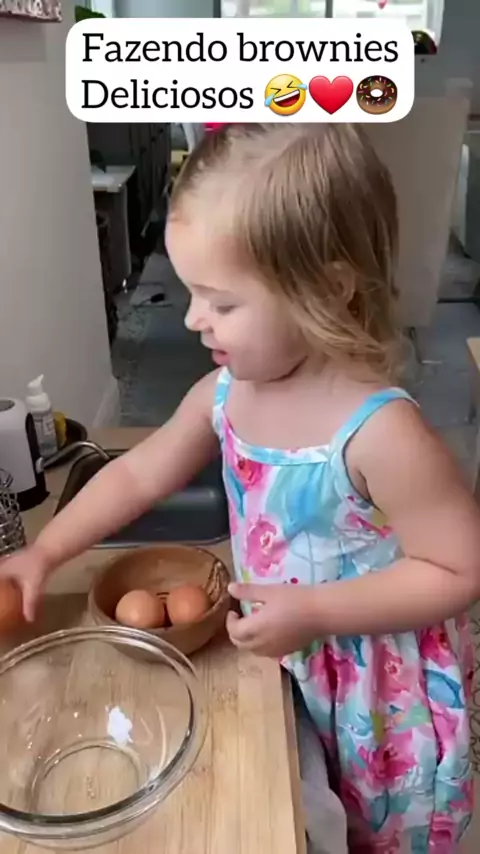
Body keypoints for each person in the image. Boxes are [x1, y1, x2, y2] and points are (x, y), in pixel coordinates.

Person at [2, 123, 479, 853]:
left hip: (372, 691)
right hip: (282, 652)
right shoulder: (224, 394)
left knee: (368, 833)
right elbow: (136, 472)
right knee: (299, 814)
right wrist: (47, 551)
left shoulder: (381, 432)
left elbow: (460, 569)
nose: (193, 318)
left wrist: (316, 611)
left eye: (221, 302)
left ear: (327, 290)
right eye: (192, 292)